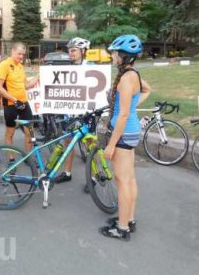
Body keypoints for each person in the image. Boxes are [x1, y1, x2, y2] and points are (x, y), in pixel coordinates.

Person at [99, 35, 151, 241]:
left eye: (114, 53)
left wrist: (111, 145)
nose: (112, 56)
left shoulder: (126, 78)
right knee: (129, 179)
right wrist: (130, 106)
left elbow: (122, 114)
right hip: (130, 131)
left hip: (123, 133)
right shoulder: (133, 74)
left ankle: (122, 228)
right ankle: (129, 220)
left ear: (123, 56)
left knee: (122, 181)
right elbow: (146, 90)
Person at [53, 37, 91, 183]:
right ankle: (67, 173)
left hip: (86, 112)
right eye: (69, 50)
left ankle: (93, 177)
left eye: (74, 50)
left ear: (82, 51)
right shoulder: (66, 67)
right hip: (70, 111)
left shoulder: (90, 66)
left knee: (89, 144)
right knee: (68, 142)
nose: (71, 53)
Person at [0, 42, 39, 153]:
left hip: (23, 102)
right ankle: (11, 160)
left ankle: (28, 156)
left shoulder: (20, 66)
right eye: (19, 54)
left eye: (23, 54)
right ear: (12, 51)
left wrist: (39, 76)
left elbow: (26, 85)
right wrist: (15, 100)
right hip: (10, 104)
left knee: (30, 130)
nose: (21, 56)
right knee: (10, 132)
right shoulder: (4, 65)